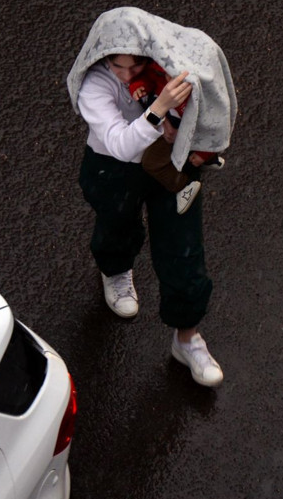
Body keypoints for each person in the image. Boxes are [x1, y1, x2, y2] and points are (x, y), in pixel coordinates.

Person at [72, 51, 223, 387]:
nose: (127, 76)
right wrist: (159, 109)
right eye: (117, 67)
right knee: (117, 225)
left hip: (175, 165)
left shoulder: (169, 64)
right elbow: (120, 145)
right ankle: (115, 270)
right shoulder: (94, 86)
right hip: (114, 166)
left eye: (136, 66)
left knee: (183, 245)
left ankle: (187, 338)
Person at [129, 61, 225, 214]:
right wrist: (138, 87)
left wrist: (204, 153)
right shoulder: (160, 73)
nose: (170, 83)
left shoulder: (197, 98)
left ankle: (184, 186)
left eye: (180, 80)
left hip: (180, 134)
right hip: (171, 128)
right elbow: (149, 78)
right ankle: (209, 159)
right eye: (167, 75)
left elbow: (212, 126)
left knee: (151, 162)